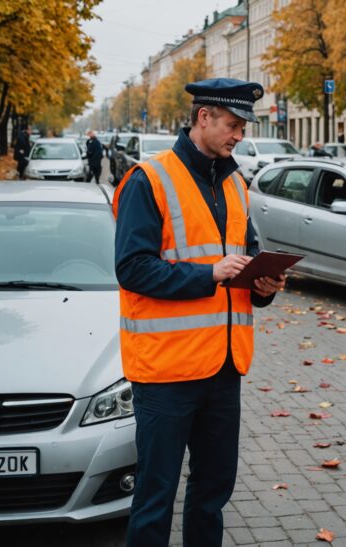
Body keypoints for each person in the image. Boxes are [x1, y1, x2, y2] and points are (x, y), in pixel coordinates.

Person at [113, 77, 286, 547]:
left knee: (212, 494)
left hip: (224, 369)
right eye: (232, 124)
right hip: (166, 372)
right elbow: (131, 269)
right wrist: (206, 274)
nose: (239, 135)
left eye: (243, 127)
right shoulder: (149, 179)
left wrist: (265, 285)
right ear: (203, 117)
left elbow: (243, 262)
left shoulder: (235, 183)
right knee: (155, 498)